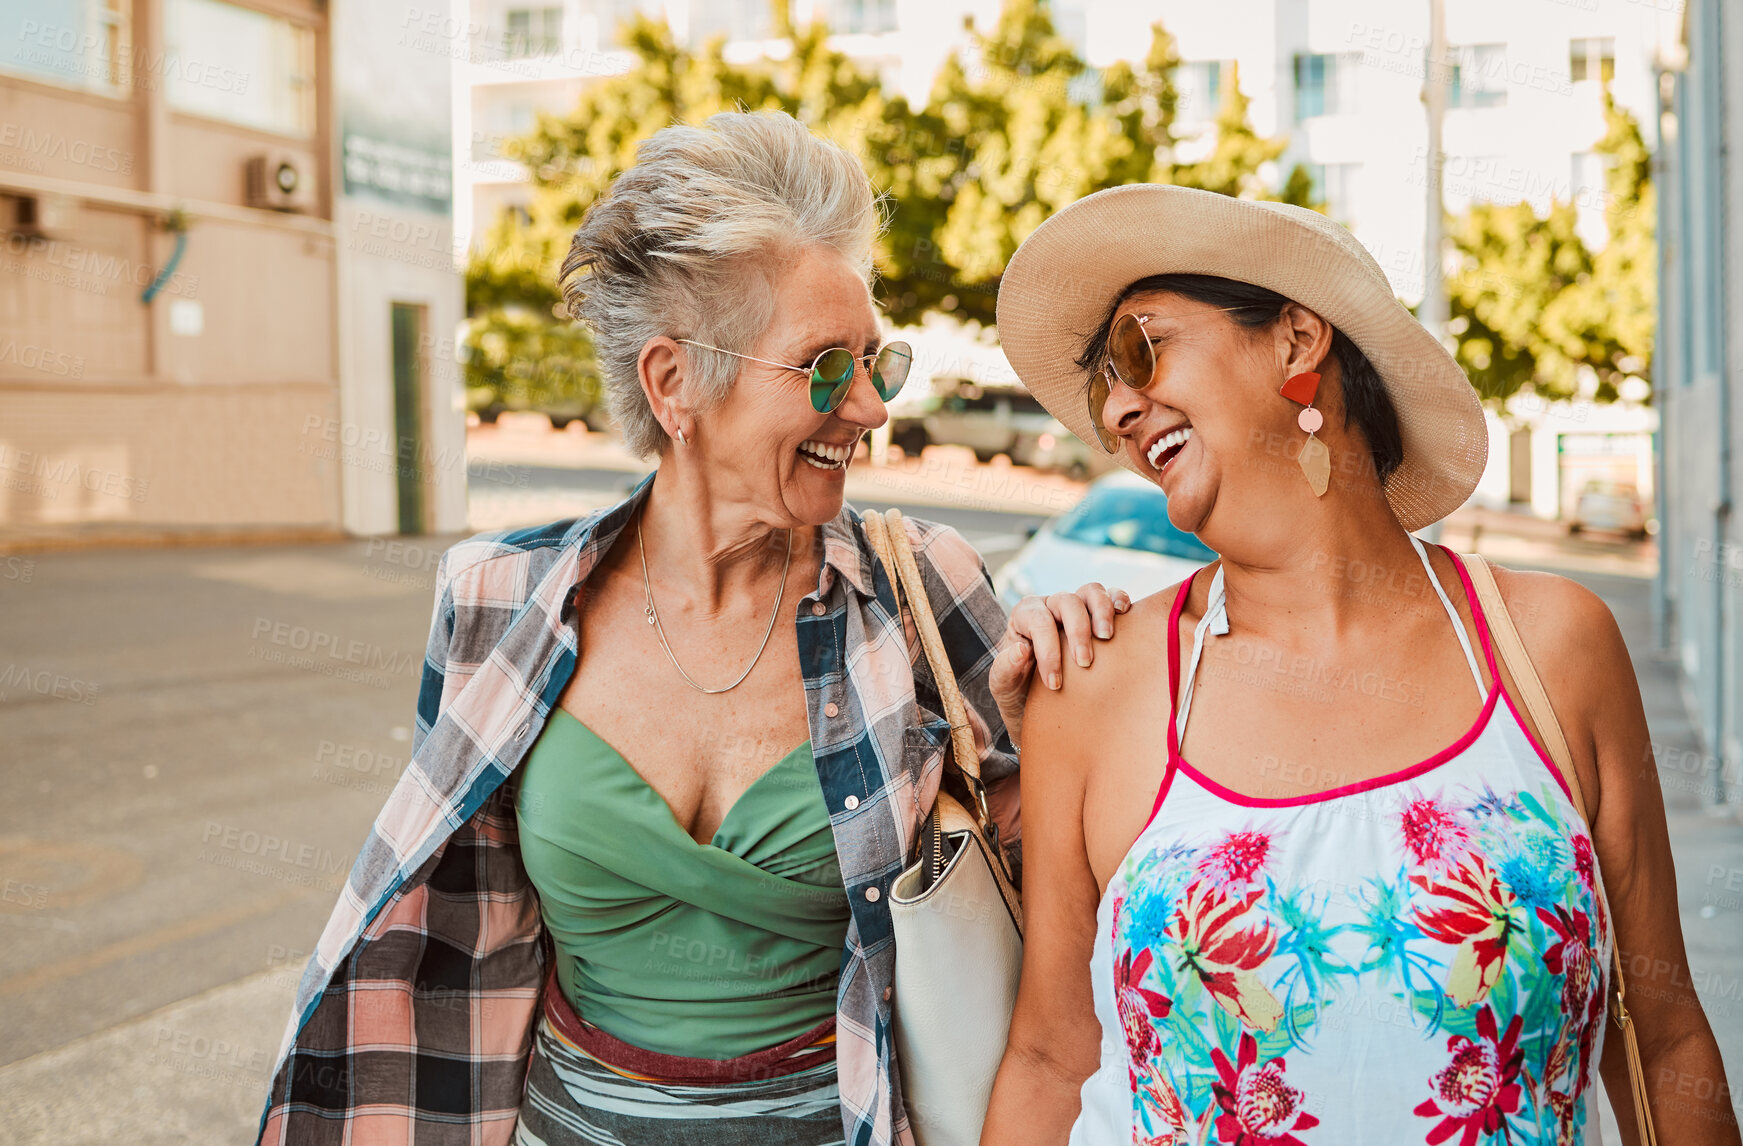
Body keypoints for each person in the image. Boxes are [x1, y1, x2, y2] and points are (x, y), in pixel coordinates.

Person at [254, 111, 1122, 1146]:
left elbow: (1066, 887)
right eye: (825, 369)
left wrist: (1082, 706)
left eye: (877, 364)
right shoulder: (493, 600)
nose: (872, 412)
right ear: (674, 383)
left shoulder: (922, 584)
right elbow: (456, 917)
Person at [982, 184, 1739, 1146]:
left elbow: (1665, 1040)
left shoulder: (1553, 646)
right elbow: (1052, 1058)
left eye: (1141, 348)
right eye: (1104, 394)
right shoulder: (1090, 685)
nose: (1121, 409)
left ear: (1297, 343)